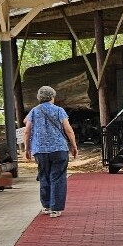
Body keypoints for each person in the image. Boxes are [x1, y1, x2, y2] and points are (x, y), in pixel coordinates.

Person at [23, 85, 78, 217]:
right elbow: (68, 129)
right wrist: (74, 145)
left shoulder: (34, 111)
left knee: (44, 176)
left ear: (39, 98)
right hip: (59, 149)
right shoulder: (59, 110)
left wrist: (26, 148)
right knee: (58, 177)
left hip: (40, 150)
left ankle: (46, 206)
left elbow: (27, 130)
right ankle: (56, 209)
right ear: (52, 97)